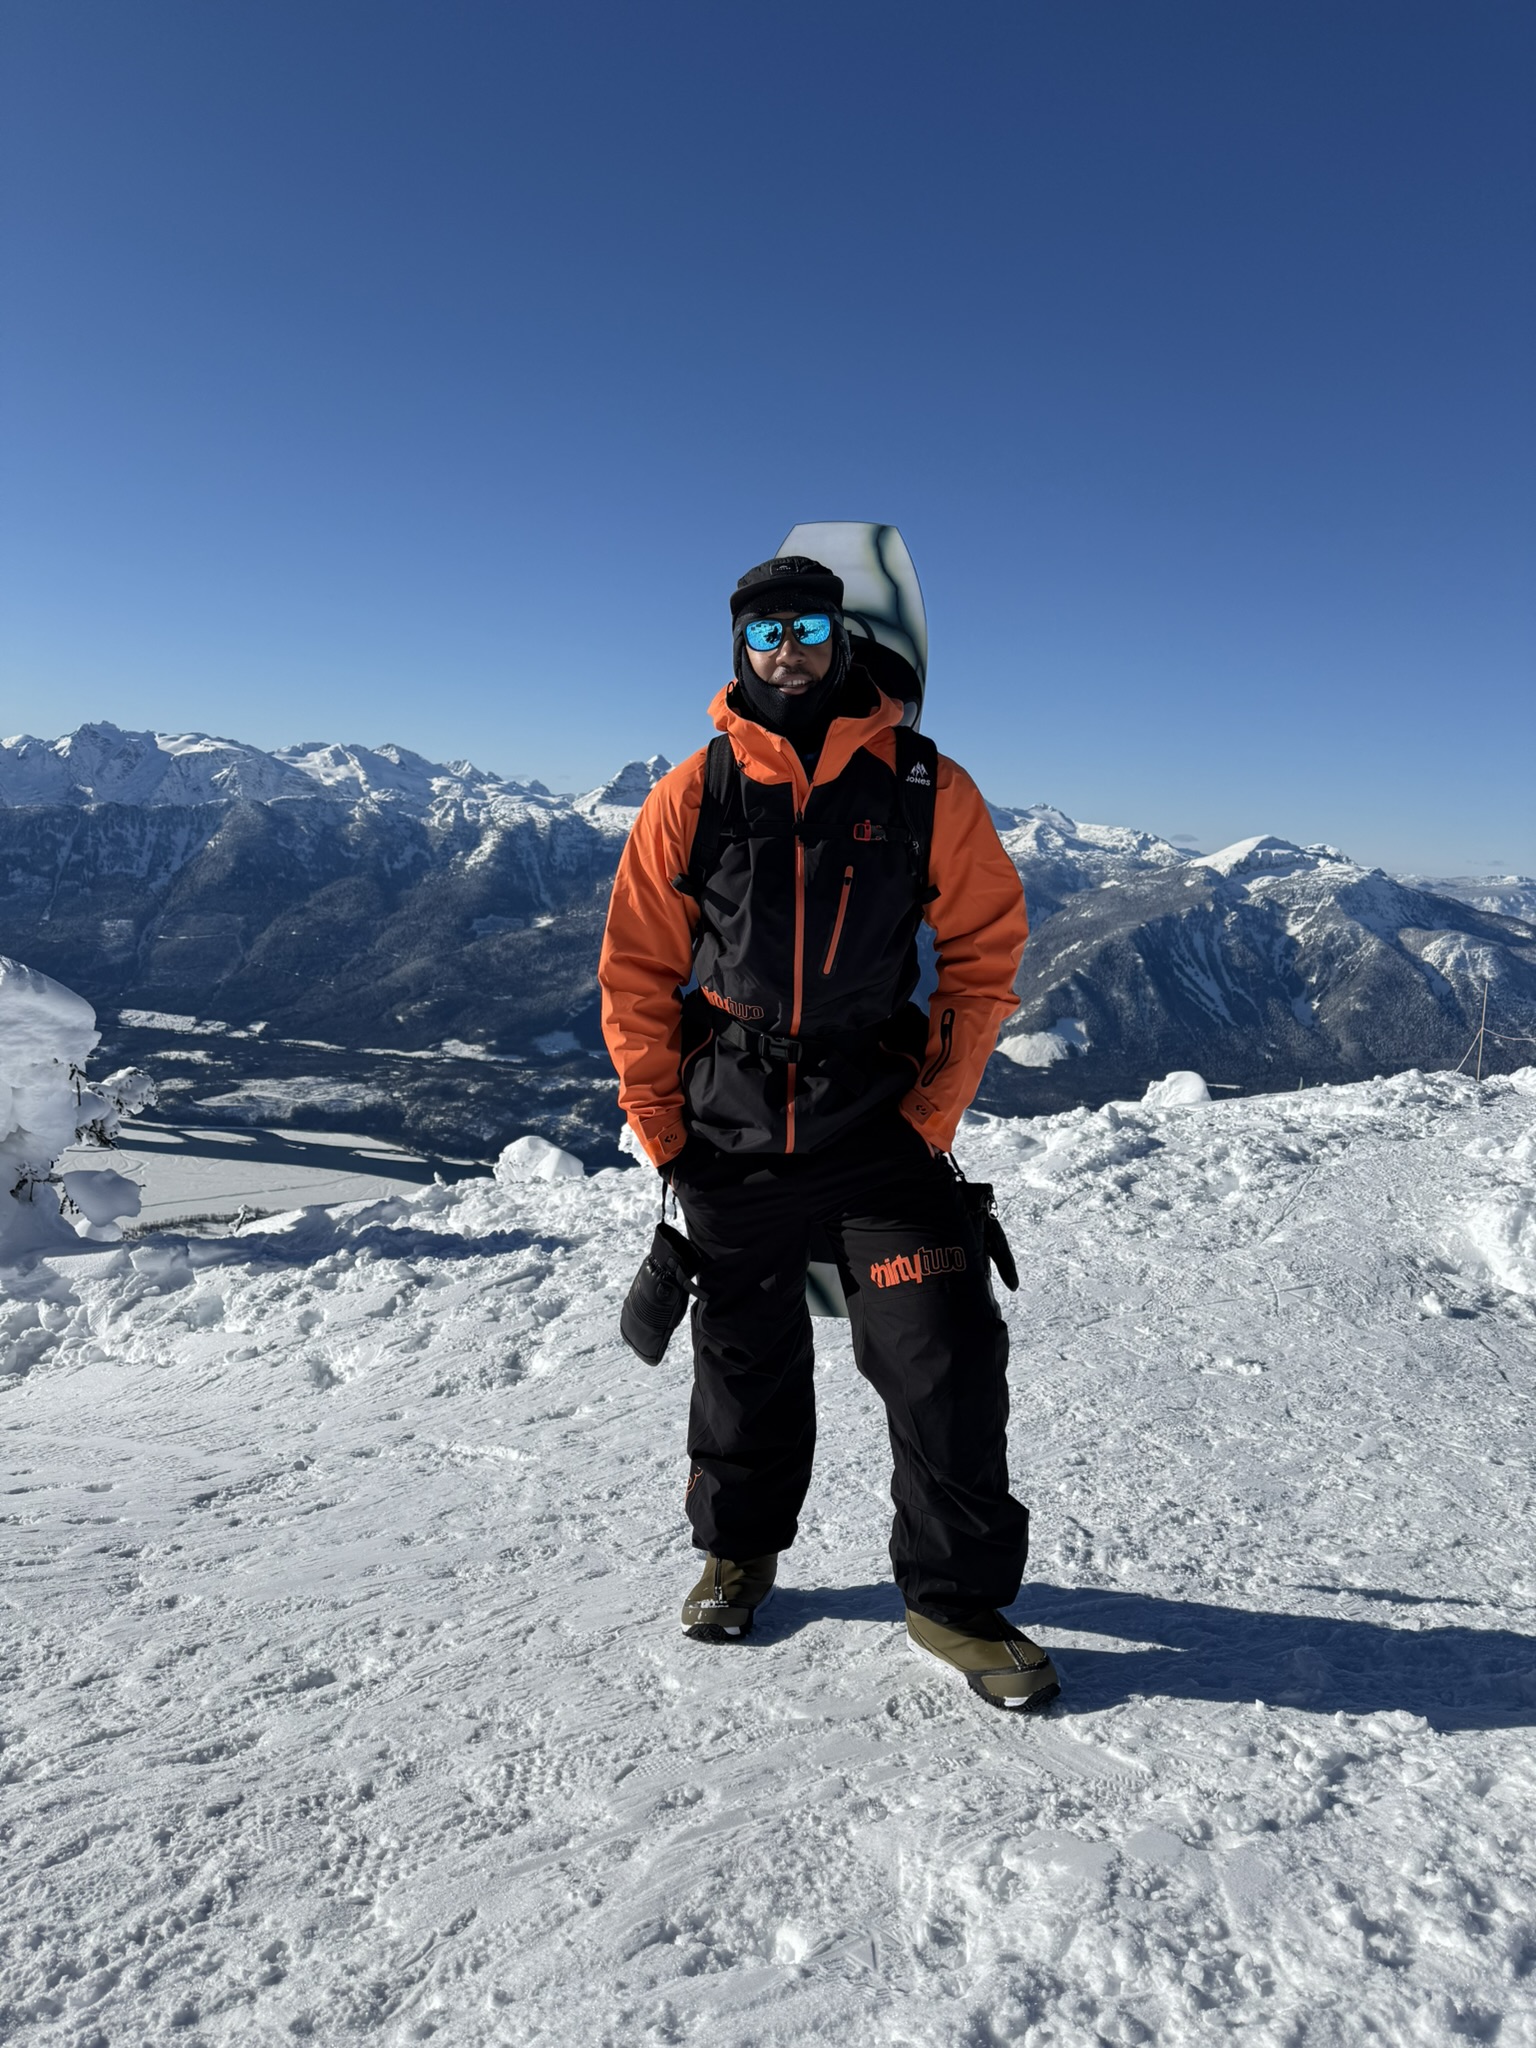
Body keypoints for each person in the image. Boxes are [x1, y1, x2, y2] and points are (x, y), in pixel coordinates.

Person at [598, 554, 1059, 1711]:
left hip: (875, 1128)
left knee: (943, 1355)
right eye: (764, 632)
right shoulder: (695, 791)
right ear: (738, 648)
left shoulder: (920, 782)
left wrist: (932, 1107)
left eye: (807, 624)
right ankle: (739, 1550)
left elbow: (986, 948)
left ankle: (952, 1599)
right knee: (743, 1357)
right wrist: (662, 1129)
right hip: (732, 1128)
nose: (787, 648)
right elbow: (638, 969)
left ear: (841, 635)